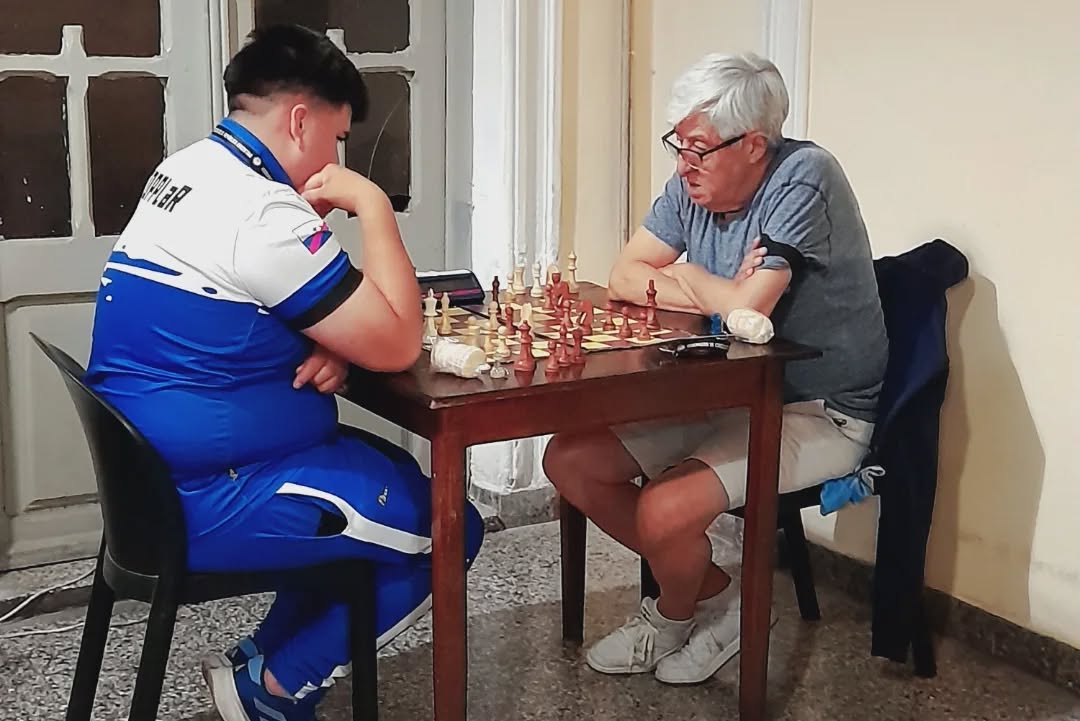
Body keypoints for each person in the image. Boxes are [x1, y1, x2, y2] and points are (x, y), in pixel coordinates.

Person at [84, 24, 485, 721]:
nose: (336, 159)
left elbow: (252, 305)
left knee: (388, 470)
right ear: (301, 121)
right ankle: (275, 688)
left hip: (155, 481)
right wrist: (374, 207)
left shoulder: (188, 170)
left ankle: (260, 656)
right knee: (452, 526)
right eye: (338, 138)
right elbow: (397, 343)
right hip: (209, 496)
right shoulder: (261, 213)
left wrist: (336, 339)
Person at [542, 51, 887, 685]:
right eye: (678, 145)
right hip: (726, 389)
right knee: (570, 460)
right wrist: (717, 290)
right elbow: (623, 275)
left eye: (698, 149)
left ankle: (671, 614)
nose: (683, 165)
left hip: (814, 410)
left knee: (662, 510)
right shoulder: (693, 183)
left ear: (753, 145)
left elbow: (749, 313)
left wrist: (689, 278)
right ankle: (729, 603)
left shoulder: (804, 176)